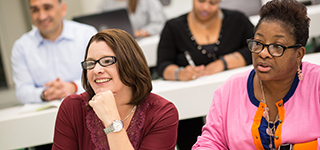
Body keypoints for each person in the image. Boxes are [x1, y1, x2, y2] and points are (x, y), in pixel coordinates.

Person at [193, 0, 320, 149]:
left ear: (299, 54)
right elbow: (210, 141)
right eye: (258, 43)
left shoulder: (316, 84)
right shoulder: (229, 91)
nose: (263, 53)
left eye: (277, 47)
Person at [52, 29, 179, 149]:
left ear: (130, 63)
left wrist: (111, 121)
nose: (96, 70)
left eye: (107, 61)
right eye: (90, 63)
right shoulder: (72, 108)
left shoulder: (162, 113)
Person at [156, 0, 254, 149]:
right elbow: (162, 64)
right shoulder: (173, 27)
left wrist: (224, 63)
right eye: (201, 1)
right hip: (189, 104)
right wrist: (179, 73)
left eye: (212, 3)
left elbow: (256, 47)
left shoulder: (237, 20)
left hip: (236, 99)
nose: (205, 8)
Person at [11, 0, 97, 104]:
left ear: (63, 9)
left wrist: (74, 87)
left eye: (47, 8)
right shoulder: (21, 47)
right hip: (43, 114)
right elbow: (22, 91)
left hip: (86, 105)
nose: (42, 16)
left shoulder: (87, 35)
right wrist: (45, 93)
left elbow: (100, 77)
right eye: (35, 10)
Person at [98, 0, 167, 38]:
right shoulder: (105, 3)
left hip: (141, 41)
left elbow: (160, 23)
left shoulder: (147, 1)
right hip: (117, 43)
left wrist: (140, 32)